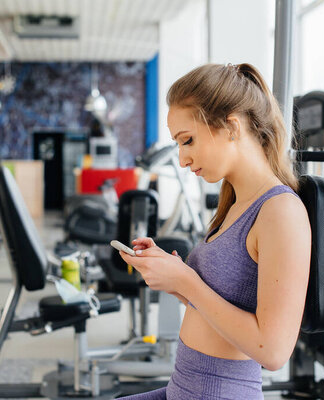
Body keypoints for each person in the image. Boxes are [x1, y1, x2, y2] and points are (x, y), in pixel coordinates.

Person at [116, 63, 311, 399]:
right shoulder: (233, 204)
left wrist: (185, 281)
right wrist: (170, 272)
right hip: (184, 387)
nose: (181, 158)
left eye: (187, 140)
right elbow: (215, 302)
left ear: (231, 126)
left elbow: (273, 351)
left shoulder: (280, 212)